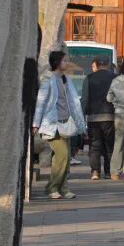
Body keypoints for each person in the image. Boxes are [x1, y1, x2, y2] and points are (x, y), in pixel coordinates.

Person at [33, 50, 87, 200]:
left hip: (66, 122)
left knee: (66, 157)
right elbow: (41, 102)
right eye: (64, 60)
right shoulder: (48, 79)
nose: (66, 63)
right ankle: (52, 187)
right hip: (52, 123)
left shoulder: (65, 79)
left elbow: (73, 102)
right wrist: (36, 123)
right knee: (62, 155)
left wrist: (79, 121)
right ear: (56, 62)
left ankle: (63, 187)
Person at [82, 56, 115, 180]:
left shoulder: (89, 78)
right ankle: (109, 171)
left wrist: (82, 114)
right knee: (109, 146)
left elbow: (85, 99)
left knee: (95, 145)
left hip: (93, 117)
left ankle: (95, 171)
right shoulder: (114, 78)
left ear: (96, 64)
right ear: (107, 64)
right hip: (110, 116)